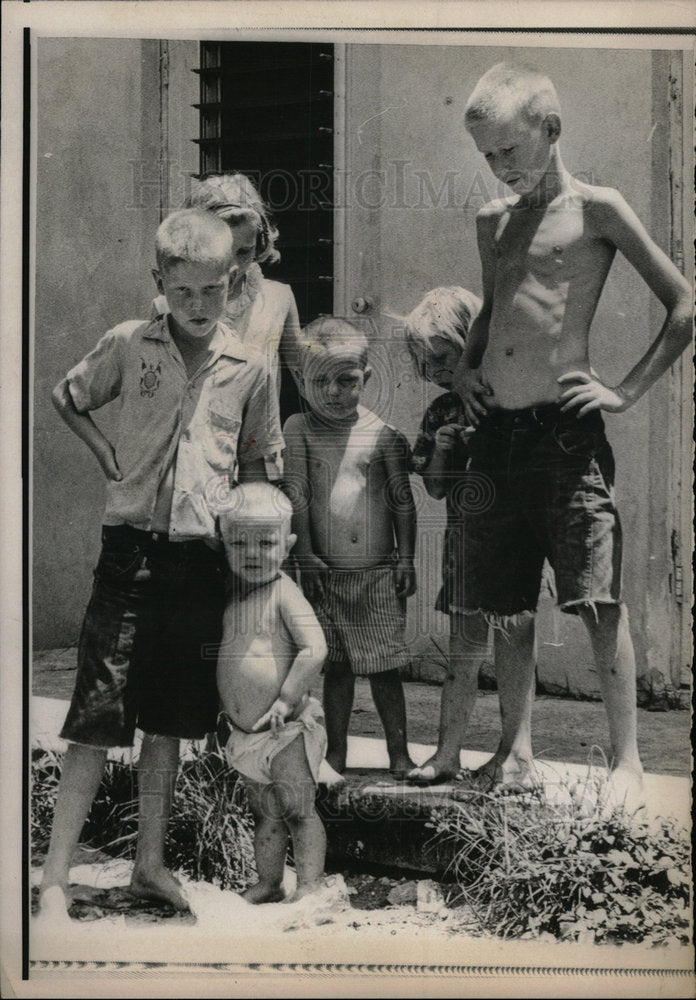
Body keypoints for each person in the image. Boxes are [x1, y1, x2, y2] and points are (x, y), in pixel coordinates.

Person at [451, 62, 692, 807]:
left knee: (595, 599)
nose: (500, 167)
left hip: (566, 439)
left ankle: (627, 761)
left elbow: (683, 305)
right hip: (497, 438)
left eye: (510, 151)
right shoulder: (494, 221)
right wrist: (465, 370)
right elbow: (493, 312)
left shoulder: (598, 209)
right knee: (507, 603)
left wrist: (623, 391)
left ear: (550, 131)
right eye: (488, 156)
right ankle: (513, 749)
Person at [39, 209, 283, 919]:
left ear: (233, 282)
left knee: (170, 722)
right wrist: (109, 457)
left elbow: (260, 462)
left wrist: (247, 534)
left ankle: (148, 865)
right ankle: (55, 875)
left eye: (212, 291)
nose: (199, 306)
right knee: (96, 712)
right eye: (184, 294)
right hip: (131, 555)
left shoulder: (251, 367)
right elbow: (67, 395)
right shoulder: (128, 343)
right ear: (160, 284)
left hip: (201, 563)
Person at [283, 317, 417, 780]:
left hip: (378, 574)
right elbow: (297, 494)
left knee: (385, 669)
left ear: (367, 378)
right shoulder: (298, 427)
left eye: (347, 380)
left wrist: (407, 558)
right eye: (321, 381)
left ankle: (399, 754)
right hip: (326, 573)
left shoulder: (381, 432)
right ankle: (336, 753)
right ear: (301, 380)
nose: (334, 392)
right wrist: (304, 556)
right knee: (336, 667)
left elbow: (403, 500)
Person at [216, 483, 329, 903]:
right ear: (221, 543)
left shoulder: (284, 592)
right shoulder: (231, 595)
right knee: (264, 814)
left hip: (285, 731)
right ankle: (268, 883)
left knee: (298, 809)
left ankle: (312, 887)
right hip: (245, 735)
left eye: (266, 542)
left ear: (288, 545)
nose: (251, 552)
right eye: (238, 542)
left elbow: (315, 647)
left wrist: (285, 697)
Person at [402, 287, 491, 785]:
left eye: (443, 357)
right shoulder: (439, 412)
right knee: (463, 651)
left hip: (511, 540)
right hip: (463, 542)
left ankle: (510, 751)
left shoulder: (504, 396)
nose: (434, 370)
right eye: (424, 362)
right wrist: (442, 448)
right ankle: (447, 752)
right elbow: (434, 488)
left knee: (517, 636)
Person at [151, 172, 303, 417]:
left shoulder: (279, 298)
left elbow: (306, 376)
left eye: (244, 251)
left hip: (256, 441)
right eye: (222, 251)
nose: (233, 265)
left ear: (261, 241)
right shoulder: (169, 306)